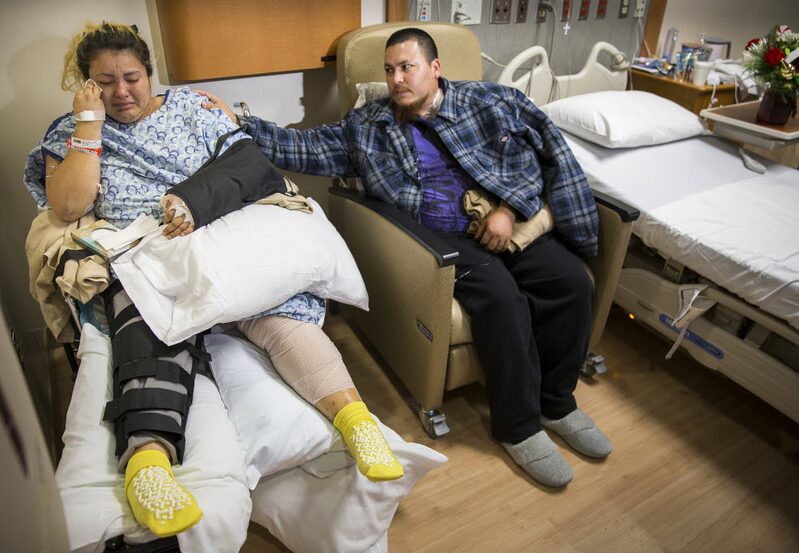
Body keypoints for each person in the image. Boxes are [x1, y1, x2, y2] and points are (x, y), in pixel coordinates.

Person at [24, 22, 402, 539]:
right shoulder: (72, 129)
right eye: (104, 82)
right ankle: (148, 466)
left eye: (131, 77)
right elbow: (68, 206)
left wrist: (193, 201)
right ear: (86, 84)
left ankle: (354, 418)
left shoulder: (190, 107)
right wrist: (88, 126)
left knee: (275, 310)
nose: (121, 92)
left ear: (149, 73)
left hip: (217, 226)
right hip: (142, 249)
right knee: (153, 326)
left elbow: (249, 164)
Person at [201, 27, 612, 488]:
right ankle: (519, 428)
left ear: (435, 69)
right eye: (390, 70)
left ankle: (557, 403)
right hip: (441, 242)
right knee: (503, 301)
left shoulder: (492, 102)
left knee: (572, 283)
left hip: (502, 224)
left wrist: (509, 208)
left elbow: (539, 156)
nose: (397, 79)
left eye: (407, 67)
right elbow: (305, 147)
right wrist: (238, 122)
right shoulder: (368, 127)